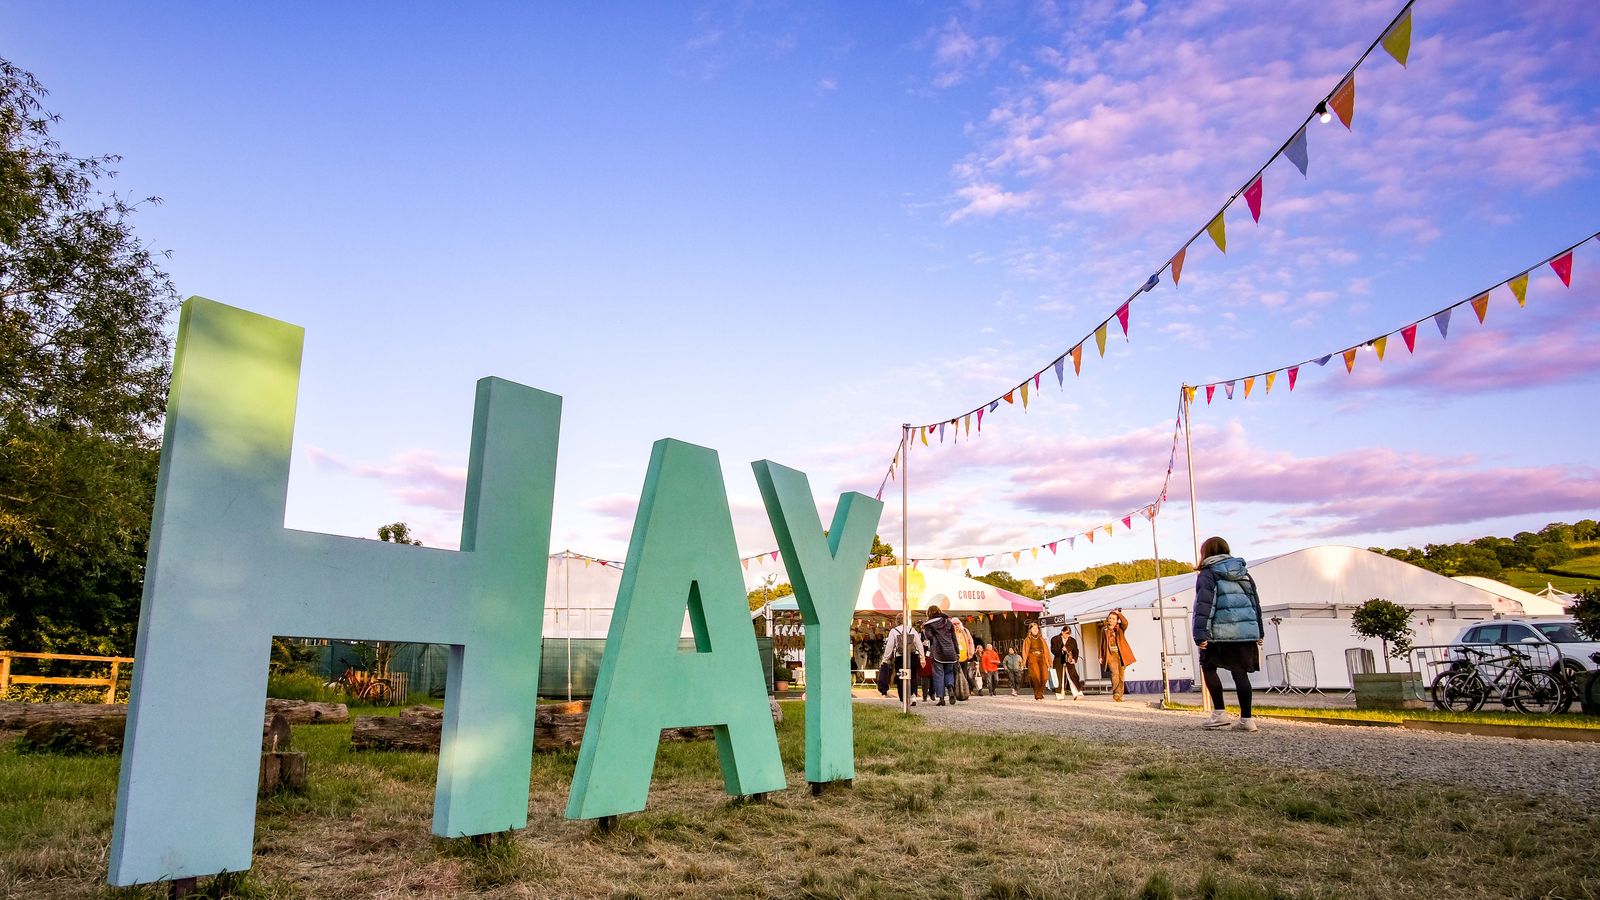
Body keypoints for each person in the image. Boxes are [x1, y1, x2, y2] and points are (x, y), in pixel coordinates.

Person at [1193, 535, 1265, 732]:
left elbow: (1204, 605)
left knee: (1208, 667)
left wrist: (1200, 633)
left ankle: (1219, 713)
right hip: (1244, 632)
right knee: (1240, 673)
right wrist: (1259, 630)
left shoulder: (1208, 574)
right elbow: (1254, 603)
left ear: (1205, 552)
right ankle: (1247, 719)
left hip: (1218, 631)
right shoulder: (1244, 573)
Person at [921, 605, 960, 706]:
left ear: (928, 613)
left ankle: (941, 698)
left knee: (939, 674)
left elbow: (929, 637)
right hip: (950, 651)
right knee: (949, 672)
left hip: (938, 652)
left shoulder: (928, 624)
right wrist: (957, 651)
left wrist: (934, 638)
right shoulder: (948, 622)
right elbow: (954, 637)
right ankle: (950, 687)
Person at [883, 619, 924, 707]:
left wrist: (885, 659)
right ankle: (913, 696)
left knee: (901, 677)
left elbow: (890, 646)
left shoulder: (894, 631)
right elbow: (919, 643)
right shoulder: (912, 629)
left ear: (896, 622)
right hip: (912, 655)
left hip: (900, 657)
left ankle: (903, 699)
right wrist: (922, 656)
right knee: (912, 676)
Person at [1102, 609, 1136, 702]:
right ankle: (1116, 693)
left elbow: (1125, 622)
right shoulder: (1104, 630)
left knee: (1121, 676)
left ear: (1117, 620)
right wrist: (1100, 656)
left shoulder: (1120, 628)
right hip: (1110, 655)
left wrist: (1118, 613)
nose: (1111, 620)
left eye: (1113, 619)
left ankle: (1119, 695)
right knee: (1114, 674)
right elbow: (1102, 644)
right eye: (1110, 618)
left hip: (1121, 655)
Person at [1049, 626, 1085, 700]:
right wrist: (1061, 650)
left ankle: (1078, 693)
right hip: (1059, 661)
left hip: (1069, 661)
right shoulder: (1055, 639)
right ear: (1062, 632)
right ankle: (1060, 695)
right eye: (1066, 633)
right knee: (1059, 677)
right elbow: (1053, 650)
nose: (1068, 635)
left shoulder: (1072, 640)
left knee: (1073, 676)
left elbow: (1076, 651)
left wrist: (1074, 659)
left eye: (1069, 633)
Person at [1020, 621, 1053, 700]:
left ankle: (1040, 692)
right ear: (1030, 630)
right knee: (1036, 677)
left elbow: (1046, 650)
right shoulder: (1028, 639)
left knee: (1045, 677)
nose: (1035, 630)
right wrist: (1023, 663)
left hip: (1042, 658)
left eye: (1037, 628)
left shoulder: (1041, 639)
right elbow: (1025, 651)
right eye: (1033, 628)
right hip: (1032, 658)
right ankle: (1038, 695)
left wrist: (1049, 661)